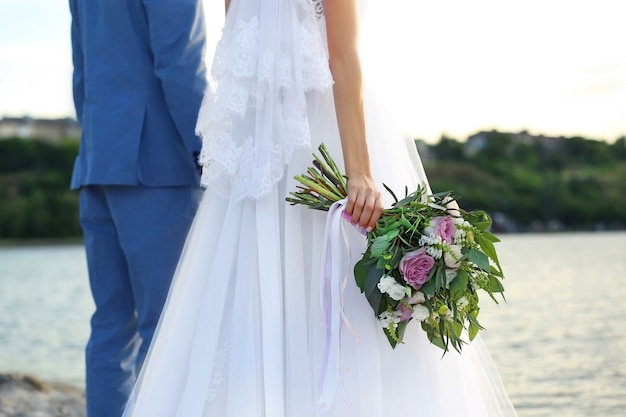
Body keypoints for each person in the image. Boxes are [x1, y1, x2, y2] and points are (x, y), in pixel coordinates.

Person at [123, 0, 519, 416]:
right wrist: (361, 172)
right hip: (323, 133)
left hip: (258, 147)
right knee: (340, 291)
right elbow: (342, 56)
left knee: (264, 294)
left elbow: (242, 36)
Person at [68, 1, 208, 416]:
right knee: (168, 328)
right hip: (157, 163)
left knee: (111, 327)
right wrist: (209, 152)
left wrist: (101, 142)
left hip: (98, 159)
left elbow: (82, 71)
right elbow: (180, 61)